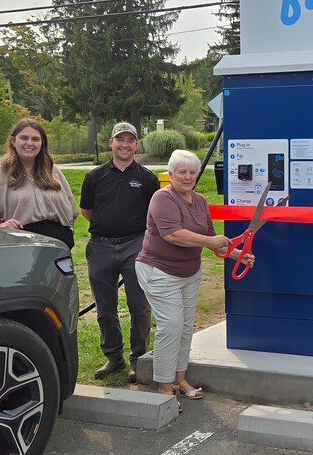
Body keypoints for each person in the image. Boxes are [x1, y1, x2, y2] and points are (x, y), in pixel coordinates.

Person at [135, 149, 247, 403]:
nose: (187, 177)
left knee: (185, 328)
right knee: (171, 326)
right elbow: (172, 234)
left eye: (192, 173)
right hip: (159, 272)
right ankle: (164, 387)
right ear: (171, 174)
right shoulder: (162, 198)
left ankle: (180, 379)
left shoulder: (199, 201)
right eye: (182, 172)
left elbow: (213, 241)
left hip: (189, 272)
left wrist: (236, 254)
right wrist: (211, 240)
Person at [79, 122, 159, 383]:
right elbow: (87, 211)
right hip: (101, 246)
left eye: (130, 140)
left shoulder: (147, 178)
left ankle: (139, 358)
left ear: (136, 144)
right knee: (105, 307)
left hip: (135, 245)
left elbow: (153, 213)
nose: (125, 145)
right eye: (120, 139)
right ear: (111, 143)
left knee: (139, 305)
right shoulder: (95, 176)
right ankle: (114, 357)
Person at [0, 118, 77, 248]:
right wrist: (0, 225)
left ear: (42, 143)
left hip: (58, 247)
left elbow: (71, 207)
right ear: (13, 141)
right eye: (24, 138)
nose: (29, 143)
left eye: (35, 139)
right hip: (21, 247)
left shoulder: (52, 171)